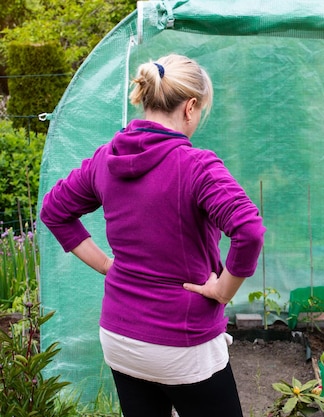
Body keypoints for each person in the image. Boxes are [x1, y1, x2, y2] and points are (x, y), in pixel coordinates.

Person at [40, 54, 265, 417]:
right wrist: (223, 291)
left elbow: (55, 210)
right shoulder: (196, 166)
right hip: (182, 341)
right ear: (190, 107)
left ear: (146, 98)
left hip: (119, 337)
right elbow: (249, 231)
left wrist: (107, 267)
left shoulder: (105, 158)